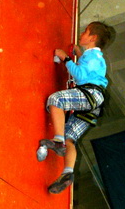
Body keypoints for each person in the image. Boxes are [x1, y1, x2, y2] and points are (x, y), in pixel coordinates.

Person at [38, 21, 112, 194]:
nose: (82, 34)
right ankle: (68, 172)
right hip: (94, 104)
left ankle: (58, 142)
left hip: (90, 94)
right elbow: (87, 69)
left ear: (93, 38)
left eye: (86, 32)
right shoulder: (95, 57)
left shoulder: (93, 57)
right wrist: (79, 52)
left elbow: (79, 75)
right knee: (70, 138)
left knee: (56, 100)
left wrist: (66, 58)